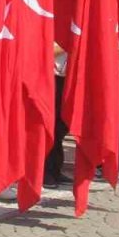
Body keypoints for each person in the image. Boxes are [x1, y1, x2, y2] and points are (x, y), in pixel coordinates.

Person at [43, 42, 71, 187]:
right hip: (49, 76)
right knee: (49, 126)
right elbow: (44, 51)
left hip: (66, 77)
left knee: (61, 126)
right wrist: (69, 43)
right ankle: (45, 172)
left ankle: (55, 169)